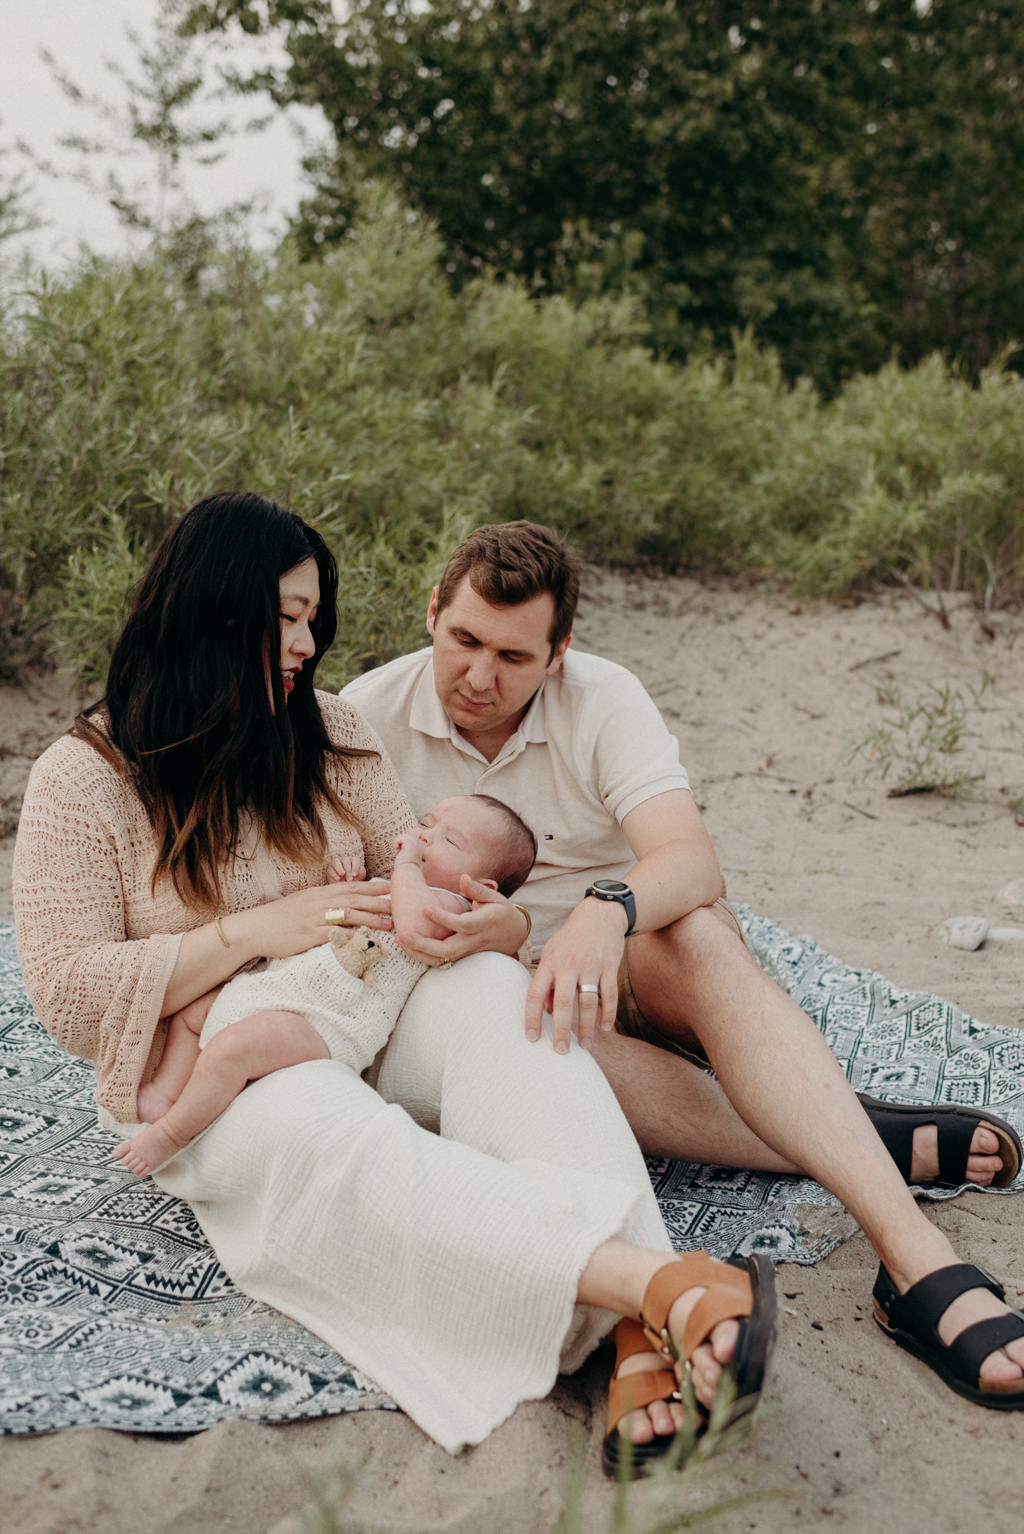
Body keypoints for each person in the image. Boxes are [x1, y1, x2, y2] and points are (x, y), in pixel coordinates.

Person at [12, 491, 779, 1473]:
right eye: (283, 616)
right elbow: (67, 994)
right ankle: (656, 1286)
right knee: (328, 1134)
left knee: (500, 1004)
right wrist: (253, 930)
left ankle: (641, 1328)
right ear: (209, 608)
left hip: (366, 1003)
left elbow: (413, 870)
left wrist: (490, 927)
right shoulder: (82, 778)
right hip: (212, 1059)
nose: (306, 641)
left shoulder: (331, 730)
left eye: (311, 618)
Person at [340, 518, 1024, 1441]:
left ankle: (914, 1258)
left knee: (697, 931)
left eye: (512, 655)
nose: (478, 675)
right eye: (462, 640)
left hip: (634, 958)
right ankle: (845, 1137)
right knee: (523, 1017)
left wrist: (601, 909)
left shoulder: (603, 699)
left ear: (558, 654)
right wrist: (503, 944)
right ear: (432, 613)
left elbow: (691, 861)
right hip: (496, 996)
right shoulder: (365, 717)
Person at [112, 792, 537, 1177]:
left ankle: (171, 1136)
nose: (426, 838)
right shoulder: (396, 885)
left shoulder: (452, 908)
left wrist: (405, 865)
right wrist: (348, 881)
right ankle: (165, 1092)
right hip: (278, 990)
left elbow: (411, 926)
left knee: (234, 1051)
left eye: (451, 842)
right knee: (193, 1014)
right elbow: (340, 914)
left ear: (482, 887)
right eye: (426, 824)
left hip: (330, 1023)